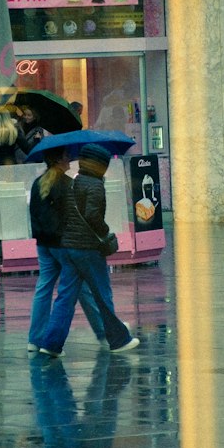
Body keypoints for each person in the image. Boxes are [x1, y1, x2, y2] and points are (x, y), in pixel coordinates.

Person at [39, 144, 140, 356]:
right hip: (88, 248)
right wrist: (105, 231)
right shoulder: (95, 185)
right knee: (102, 294)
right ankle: (119, 340)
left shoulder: (72, 182)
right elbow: (93, 215)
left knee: (65, 297)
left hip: (69, 247)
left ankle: (51, 344)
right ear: (99, 165)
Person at [27, 149, 109, 353]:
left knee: (44, 288)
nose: (70, 159)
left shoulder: (38, 182)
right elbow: (74, 215)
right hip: (62, 244)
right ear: (58, 160)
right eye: (66, 156)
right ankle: (103, 331)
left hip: (43, 244)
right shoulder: (66, 184)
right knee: (80, 288)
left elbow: (34, 213)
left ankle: (35, 339)